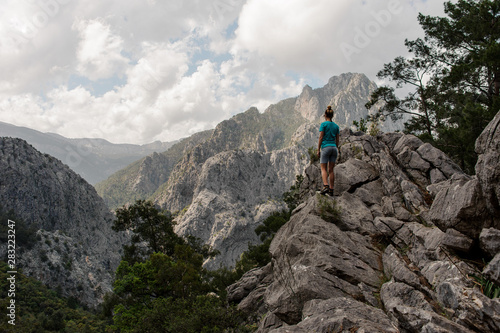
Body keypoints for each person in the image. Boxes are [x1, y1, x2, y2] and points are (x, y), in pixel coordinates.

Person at [317, 105, 340, 196]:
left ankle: (325, 185)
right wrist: (336, 147)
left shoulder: (323, 125)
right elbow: (337, 140)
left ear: (325, 115)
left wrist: (318, 149)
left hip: (325, 148)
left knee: (323, 168)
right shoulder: (336, 126)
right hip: (334, 148)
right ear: (332, 115)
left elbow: (321, 137)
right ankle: (331, 189)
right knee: (331, 170)